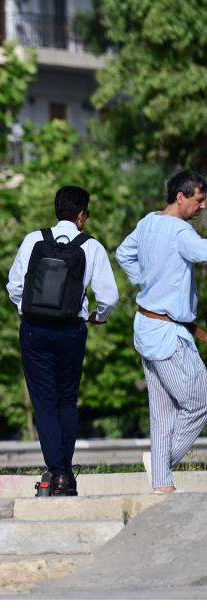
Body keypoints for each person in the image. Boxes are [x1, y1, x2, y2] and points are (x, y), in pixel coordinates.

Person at [6, 186, 119, 492]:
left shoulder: (33, 240)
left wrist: (26, 311)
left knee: (44, 404)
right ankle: (64, 474)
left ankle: (57, 474)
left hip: (33, 330)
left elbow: (14, 286)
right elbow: (109, 296)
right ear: (81, 215)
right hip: (72, 330)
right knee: (67, 401)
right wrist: (99, 316)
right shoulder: (91, 246)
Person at [116, 170, 207, 494]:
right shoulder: (179, 230)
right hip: (168, 334)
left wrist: (146, 279)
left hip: (147, 325)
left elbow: (123, 253)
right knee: (200, 401)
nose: (204, 206)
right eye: (199, 199)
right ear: (180, 197)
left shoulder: (147, 222)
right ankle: (160, 463)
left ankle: (162, 486)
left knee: (163, 412)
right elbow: (203, 252)